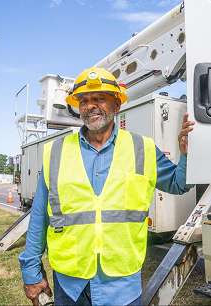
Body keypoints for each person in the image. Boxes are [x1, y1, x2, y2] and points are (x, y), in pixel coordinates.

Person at [19, 67, 195, 306]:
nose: (90, 105)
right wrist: (31, 273)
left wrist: (186, 156)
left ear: (117, 106)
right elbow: (40, 215)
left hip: (122, 285)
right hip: (70, 285)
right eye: (84, 101)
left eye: (99, 98)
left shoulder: (142, 148)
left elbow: (178, 184)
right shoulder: (57, 152)